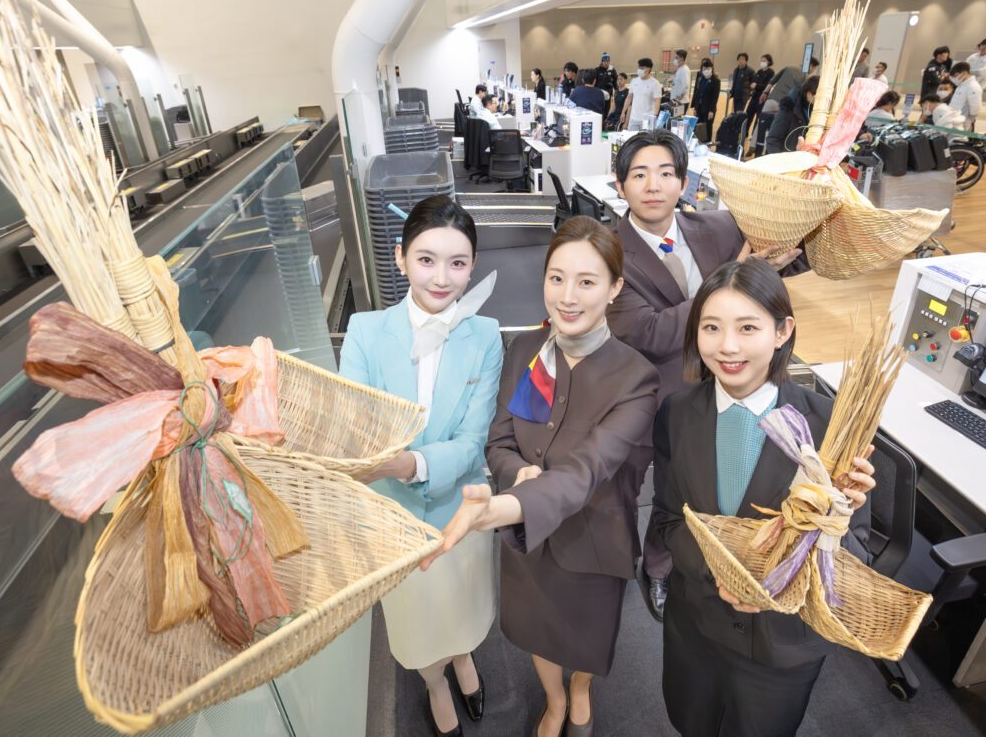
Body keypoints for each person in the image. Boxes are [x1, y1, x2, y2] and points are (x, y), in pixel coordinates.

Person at [422, 216, 660, 737]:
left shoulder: (636, 378)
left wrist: (506, 506)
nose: (567, 297)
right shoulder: (525, 351)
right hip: (529, 545)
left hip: (594, 540)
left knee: (588, 638)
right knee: (537, 632)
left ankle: (580, 690)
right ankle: (554, 698)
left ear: (615, 288)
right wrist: (517, 472)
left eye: (587, 281)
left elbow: (588, 470)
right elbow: (499, 441)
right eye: (556, 278)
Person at [652, 258, 876, 737]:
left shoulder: (829, 427)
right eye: (711, 327)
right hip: (696, 628)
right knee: (691, 722)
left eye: (748, 327)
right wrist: (719, 572)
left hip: (782, 645)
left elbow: (856, 554)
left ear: (782, 331)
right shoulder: (677, 413)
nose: (727, 346)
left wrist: (839, 521)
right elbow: (669, 519)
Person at [607, 130, 808, 622]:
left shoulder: (718, 225)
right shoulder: (609, 252)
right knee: (653, 487)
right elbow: (648, 332)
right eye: (639, 174)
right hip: (650, 394)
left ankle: (714, 561)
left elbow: (789, 263)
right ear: (620, 184)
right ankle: (648, 564)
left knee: (712, 482)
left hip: (728, 385)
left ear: (684, 183)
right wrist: (731, 277)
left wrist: (791, 226)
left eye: (666, 173)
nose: (653, 185)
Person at [339, 196, 503, 737]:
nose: (441, 277)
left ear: (472, 267)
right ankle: (435, 683)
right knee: (416, 623)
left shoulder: (485, 335)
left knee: (463, 607)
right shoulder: (365, 331)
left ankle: (463, 658)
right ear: (400, 257)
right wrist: (383, 465)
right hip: (394, 517)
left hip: (461, 508)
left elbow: (472, 442)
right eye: (426, 259)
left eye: (457, 263)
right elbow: (358, 428)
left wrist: (408, 462)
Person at [766, 74, 819, 154]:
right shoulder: (788, 110)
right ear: (808, 93)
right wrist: (779, 160)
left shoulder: (818, 113)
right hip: (784, 158)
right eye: (817, 96)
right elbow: (773, 140)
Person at [622, 57, 662, 131]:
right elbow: (629, 98)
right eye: (639, 67)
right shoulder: (634, 81)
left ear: (648, 69)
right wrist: (623, 112)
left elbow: (657, 101)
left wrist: (654, 116)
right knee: (632, 137)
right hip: (633, 118)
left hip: (647, 119)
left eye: (642, 68)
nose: (639, 70)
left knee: (646, 138)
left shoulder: (655, 83)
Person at [690, 58, 720, 142]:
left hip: (708, 109)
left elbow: (715, 97)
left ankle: (708, 144)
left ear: (711, 68)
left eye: (707, 68)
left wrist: (711, 110)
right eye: (703, 69)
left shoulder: (715, 81)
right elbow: (697, 94)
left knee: (708, 128)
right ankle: (699, 143)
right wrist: (696, 108)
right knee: (699, 127)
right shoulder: (701, 79)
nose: (705, 70)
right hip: (700, 107)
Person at [948, 61, 982, 130]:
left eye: (956, 76)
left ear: (964, 73)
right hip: (952, 119)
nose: (955, 78)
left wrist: (971, 118)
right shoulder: (961, 85)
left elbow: (975, 107)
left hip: (962, 122)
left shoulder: (973, 86)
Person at [596, 52, 618, 118]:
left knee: (606, 111)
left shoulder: (612, 71)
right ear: (602, 61)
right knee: (598, 111)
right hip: (599, 94)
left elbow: (615, 82)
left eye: (608, 61)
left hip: (608, 95)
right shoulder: (597, 70)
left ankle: (604, 123)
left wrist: (617, 91)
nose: (606, 63)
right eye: (604, 61)